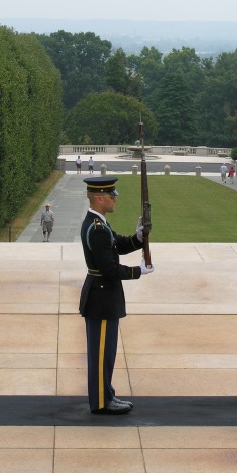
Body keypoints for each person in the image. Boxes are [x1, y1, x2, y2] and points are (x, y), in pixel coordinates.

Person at [79, 176, 153, 415]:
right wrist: (138, 271)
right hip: (101, 299)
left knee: (106, 353)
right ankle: (101, 401)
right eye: (112, 196)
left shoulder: (99, 224)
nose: (115, 199)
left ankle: (106, 395)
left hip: (102, 297)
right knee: (102, 355)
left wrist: (138, 238)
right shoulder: (96, 228)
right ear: (100, 198)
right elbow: (109, 269)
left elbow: (117, 245)